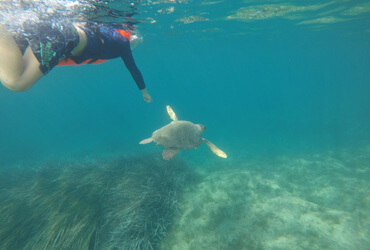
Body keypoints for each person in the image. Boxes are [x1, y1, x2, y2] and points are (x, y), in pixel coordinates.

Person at [0, 20, 152, 102]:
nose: (134, 44)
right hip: (63, 38)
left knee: (14, 62)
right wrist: (144, 92)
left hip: (58, 30)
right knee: (17, 82)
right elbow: (133, 69)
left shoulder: (109, 32)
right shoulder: (123, 43)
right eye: (136, 40)